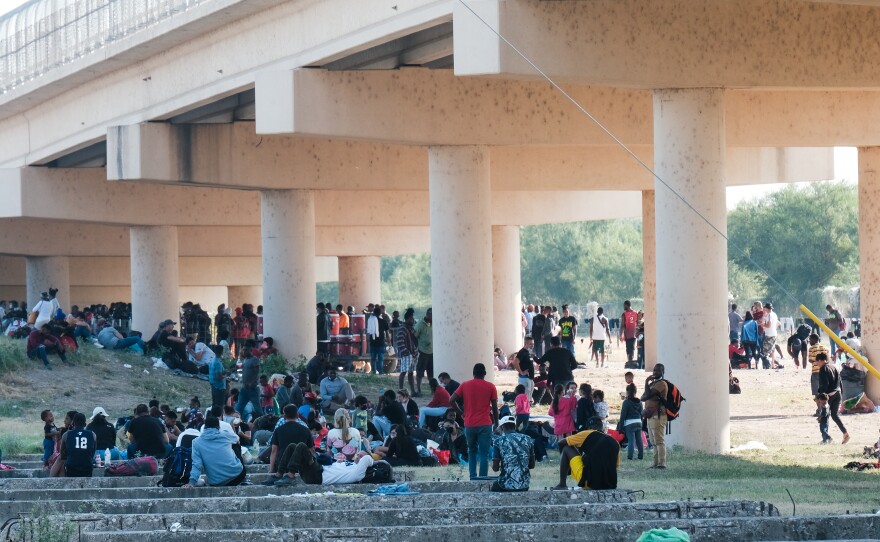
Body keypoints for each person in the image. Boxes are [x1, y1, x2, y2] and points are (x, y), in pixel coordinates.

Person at [449, 363, 499, 480]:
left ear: (473, 373)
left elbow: (451, 400)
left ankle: (473, 478)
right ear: (485, 373)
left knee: (471, 452)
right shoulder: (491, 386)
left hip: (470, 424)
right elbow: (495, 407)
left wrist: (461, 413)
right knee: (484, 454)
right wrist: (496, 422)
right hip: (485, 424)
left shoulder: (465, 385)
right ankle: (482, 479)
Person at [553, 416, 620, 490]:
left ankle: (562, 484)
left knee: (567, 448)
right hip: (610, 485)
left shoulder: (587, 433)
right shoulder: (615, 443)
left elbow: (561, 442)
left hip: (590, 483)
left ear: (589, 428)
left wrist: (567, 465)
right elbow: (616, 465)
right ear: (602, 427)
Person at [183, 416, 246, 488]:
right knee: (235, 445)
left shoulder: (196, 442)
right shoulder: (226, 434)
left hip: (217, 482)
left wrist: (192, 482)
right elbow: (237, 439)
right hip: (238, 475)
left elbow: (197, 465)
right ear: (218, 426)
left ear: (204, 427)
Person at [266, 405, 314, 483]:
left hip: (282, 466)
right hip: (300, 466)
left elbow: (274, 451)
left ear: (284, 416)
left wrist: (271, 470)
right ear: (297, 415)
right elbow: (311, 450)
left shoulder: (278, 430)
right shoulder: (305, 430)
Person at [491, 415, 536, 492]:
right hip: (524, 485)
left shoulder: (498, 441)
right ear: (515, 426)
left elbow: (495, 468)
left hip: (505, 485)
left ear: (503, 427)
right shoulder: (528, 439)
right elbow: (532, 465)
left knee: (494, 487)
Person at [815, 352, 850, 444]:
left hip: (829, 396)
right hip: (838, 393)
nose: (817, 363)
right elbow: (840, 382)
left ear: (821, 360)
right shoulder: (834, 367)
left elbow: (825, 385)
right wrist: (841, 394)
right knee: (834, 415)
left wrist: (820, 395)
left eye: (817, 361)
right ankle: (845, 433)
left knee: (824, 416)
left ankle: (826, 438)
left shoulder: (823, 369)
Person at [641, 363, 669, 469]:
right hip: (650, 415)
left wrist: (646, 383)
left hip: (658, 415)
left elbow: (647, 395)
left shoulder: (661, 384)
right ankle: (655, 463)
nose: (655, 372)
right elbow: (643, 398)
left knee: (659, 440)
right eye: (654, 370)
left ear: (663, 372)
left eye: (658, 370)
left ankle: (662, 463)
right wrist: (648, 385)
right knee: (653, 441)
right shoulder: (653, 384)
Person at [63, 413, 96, 478]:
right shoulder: (93, 434)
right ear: (85, 424)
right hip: (87, 468)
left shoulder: (66, 434)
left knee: (64, 462)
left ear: (73, 423)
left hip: (71, 468)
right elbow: (93, 453)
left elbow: (62, 454)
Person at [235, 342, 262, 421]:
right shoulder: (245, 360)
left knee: (257, 408)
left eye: (246, 350)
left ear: (250, 350)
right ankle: (237, 422)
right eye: (243, 350)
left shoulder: (254, 360)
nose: (244, 352)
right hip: (244, 388)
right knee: (239, 407)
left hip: (252, 388)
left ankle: (262, 421)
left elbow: (257, 372)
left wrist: (251, 382)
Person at [394, 308, 419, 395]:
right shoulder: (403, 328)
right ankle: (401, 391)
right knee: (403, 372)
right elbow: (399, 342)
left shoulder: (410, 328)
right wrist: (406, 352)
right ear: (407, 319)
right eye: (411, 319)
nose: (413, 320)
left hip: (411, 354)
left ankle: (413, 391)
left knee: (411, 373)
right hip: (406, 354)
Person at [617, 383, 644, 460]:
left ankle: (630, 457)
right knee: (639, 440)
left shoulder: (626, 402)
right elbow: (642, 414)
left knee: (631, 440)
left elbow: (623, 416)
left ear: (627, 392)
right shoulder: (640, 402)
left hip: (629, 424)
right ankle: (640, 456)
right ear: (635, 392)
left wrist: (620, 427)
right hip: (638, 422)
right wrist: (641, 423)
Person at [413, 308, 433, 396]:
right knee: (420, 372)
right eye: (431, 316)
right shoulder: (420, 324)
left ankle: (433, 390)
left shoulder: (433, 323)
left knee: (431, 373)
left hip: (432, 352)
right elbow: (414, 336)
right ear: (428, 315)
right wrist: (417, 346)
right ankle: (419, 390)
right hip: (423, 351)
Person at [512, 337, 536, 402]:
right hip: (524, 378)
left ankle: (528, 406)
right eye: (530, 344)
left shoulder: (528, 352)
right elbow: (515, 362)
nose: (532, 346)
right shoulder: (522, 352)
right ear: (525, 344)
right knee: (524, 398)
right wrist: (521, 372)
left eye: (533, 344)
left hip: (530, 378)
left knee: (529, 398)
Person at [759, 303, 780, 370]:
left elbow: (768, 325)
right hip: (774, 333)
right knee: (772, 350)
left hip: (769, 335)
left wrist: (763, 325)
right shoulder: (774, 314)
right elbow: (777, 323)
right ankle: (772, 365)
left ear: (766, 308)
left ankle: (766, 364)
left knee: (765, 350)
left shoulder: (769, 315)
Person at [620, 300, 639, 367]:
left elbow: (622, 325)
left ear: (626, 305)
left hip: (627, 335)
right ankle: (630, 361)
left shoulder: (624, 314)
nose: (623, 307)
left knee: (628, 349)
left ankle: (629, 362)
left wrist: (620, 335)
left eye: (624, 305)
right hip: (634, 334)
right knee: (632, 349)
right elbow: (638, 323)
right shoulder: (635, 313)